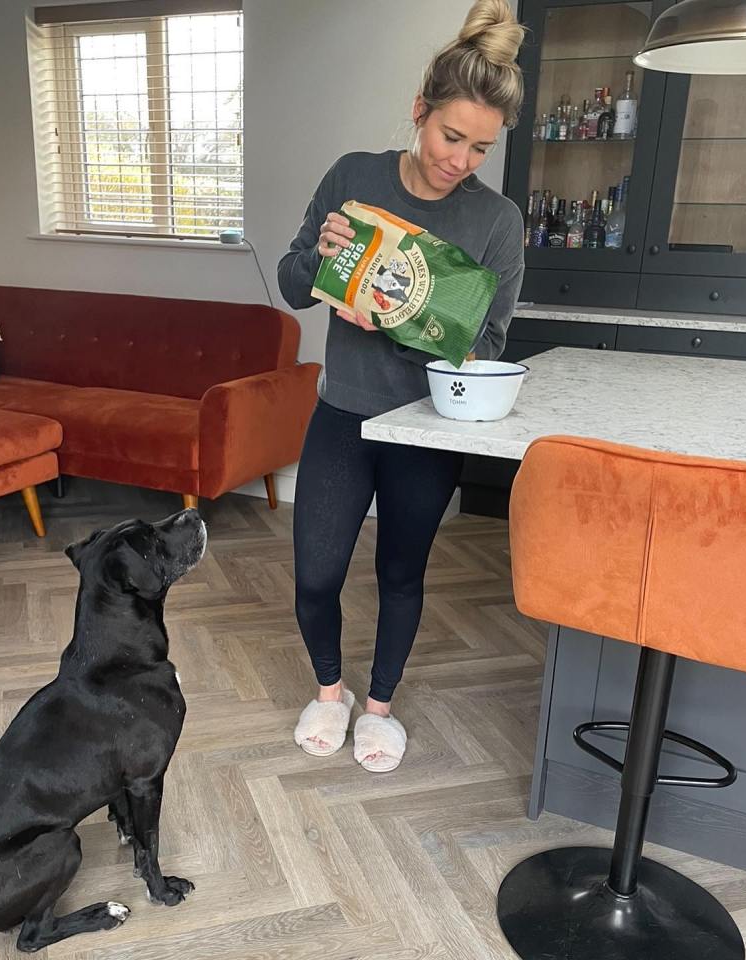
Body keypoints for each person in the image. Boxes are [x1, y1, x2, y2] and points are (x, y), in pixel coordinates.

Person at [277, 0, 526, 773]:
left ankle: (379, 707)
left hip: (425, 427)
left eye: (481, 148)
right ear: (421, 113)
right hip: (342, 415)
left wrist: (417, 325)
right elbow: (291, 285)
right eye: (452, 137)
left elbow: (490, 342)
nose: (461, 161)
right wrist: (321, 255)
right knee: (316, 572)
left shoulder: (498, 221)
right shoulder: (354, 177)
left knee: (400, 573)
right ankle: (330, 692)